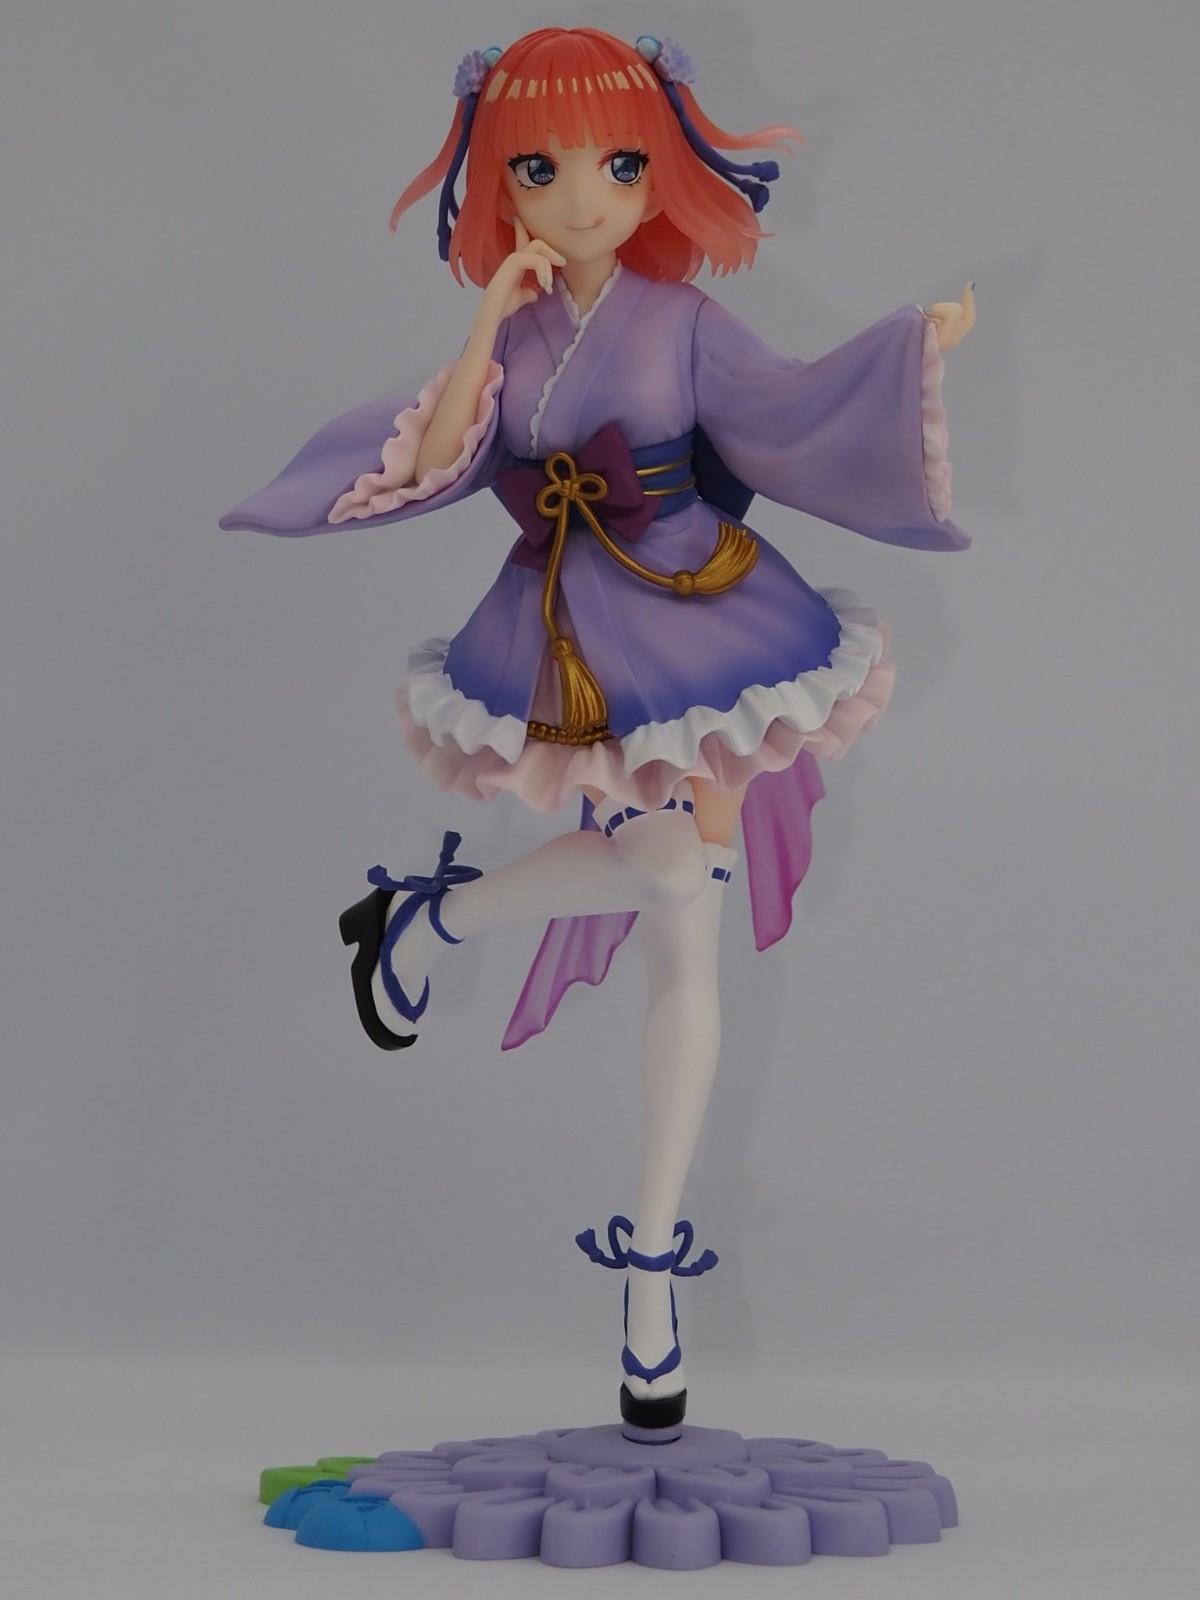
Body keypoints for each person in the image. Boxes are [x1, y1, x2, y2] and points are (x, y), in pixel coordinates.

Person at [222, 26, 975, 1433]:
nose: (584, 197)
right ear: (502, 182)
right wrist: (482, 324)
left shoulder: (680, 321)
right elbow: (437, 457)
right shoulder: (515, 332)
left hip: (699, 613)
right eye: (544, 169)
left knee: (688, 929)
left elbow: (792, 408)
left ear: (658, 175)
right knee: (673, 874)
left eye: (620, 166)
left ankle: (649, 1273)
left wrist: (902, 355)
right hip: (571, 639)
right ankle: (434, 929)